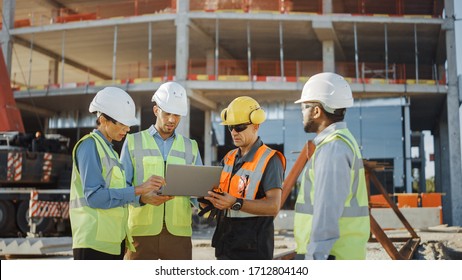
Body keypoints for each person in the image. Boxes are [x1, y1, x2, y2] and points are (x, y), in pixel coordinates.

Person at [69, 87, 163, 260]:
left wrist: (142, 197)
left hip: (111, 242)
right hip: (93, 244)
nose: (127, 129)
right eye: (121, 123)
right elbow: (95, 197)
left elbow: (116, 198)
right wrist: (138, 189)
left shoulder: (110, 151)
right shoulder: (89, 146)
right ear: (103, 120)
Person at [120, 81, 202, 260]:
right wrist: (141, 198)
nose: (172, 119)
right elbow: (121, 186)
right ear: (156, 110)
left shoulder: (191, 147)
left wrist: (206, 202)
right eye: (167, 113)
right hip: (140, 233)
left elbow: (198, 193)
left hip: (178, 235)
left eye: (177, 115)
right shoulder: (133, 142)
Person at [293, 72, 370, 260]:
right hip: (341, 254)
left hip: (330, 256)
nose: (302, 112)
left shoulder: (332, 149)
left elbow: (326, 211)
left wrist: (315, 257)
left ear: (317, 111)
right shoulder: (343, 142)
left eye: (304, 107)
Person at [203, 96, 286, 260]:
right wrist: (208, 199)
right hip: (225, 245)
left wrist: (236, 203)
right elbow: (223, 196)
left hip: (252, 250)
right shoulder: (228, 158)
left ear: (256, 126)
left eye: (239, 127)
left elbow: (273, 206)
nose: (234, 132)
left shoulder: (270, 160)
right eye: (231, 127)